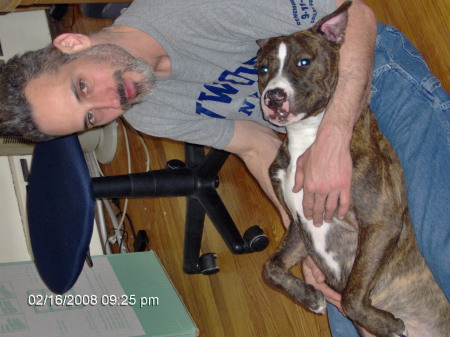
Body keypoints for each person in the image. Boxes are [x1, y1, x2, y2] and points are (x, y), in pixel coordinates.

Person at [0, 1, 448, 336]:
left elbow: (360, 18)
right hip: (307, 136)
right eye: (92, 119)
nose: (110, 102)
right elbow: (255, 147)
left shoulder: (193, 8)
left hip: (371, 79)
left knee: (442, 248)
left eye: (83, 87)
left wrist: (334, 135)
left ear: (72, 43)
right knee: (349, 323)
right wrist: (312, 241)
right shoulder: (145, 112)